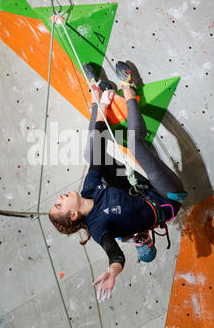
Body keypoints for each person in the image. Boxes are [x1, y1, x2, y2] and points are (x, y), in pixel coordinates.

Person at [49, 61, 188, 303]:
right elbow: (115, 256)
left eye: (57, 200)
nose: (60, 198)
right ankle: (128, 86)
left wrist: (102, 106)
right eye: (59, 205)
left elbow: (99, 151)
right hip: (167, 196)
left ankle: (97, 95)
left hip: (141, 188)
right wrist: (112, 271)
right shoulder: (98, 228)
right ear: (73, 216)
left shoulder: (88, 189)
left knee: (92, 154)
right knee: (135, 143)